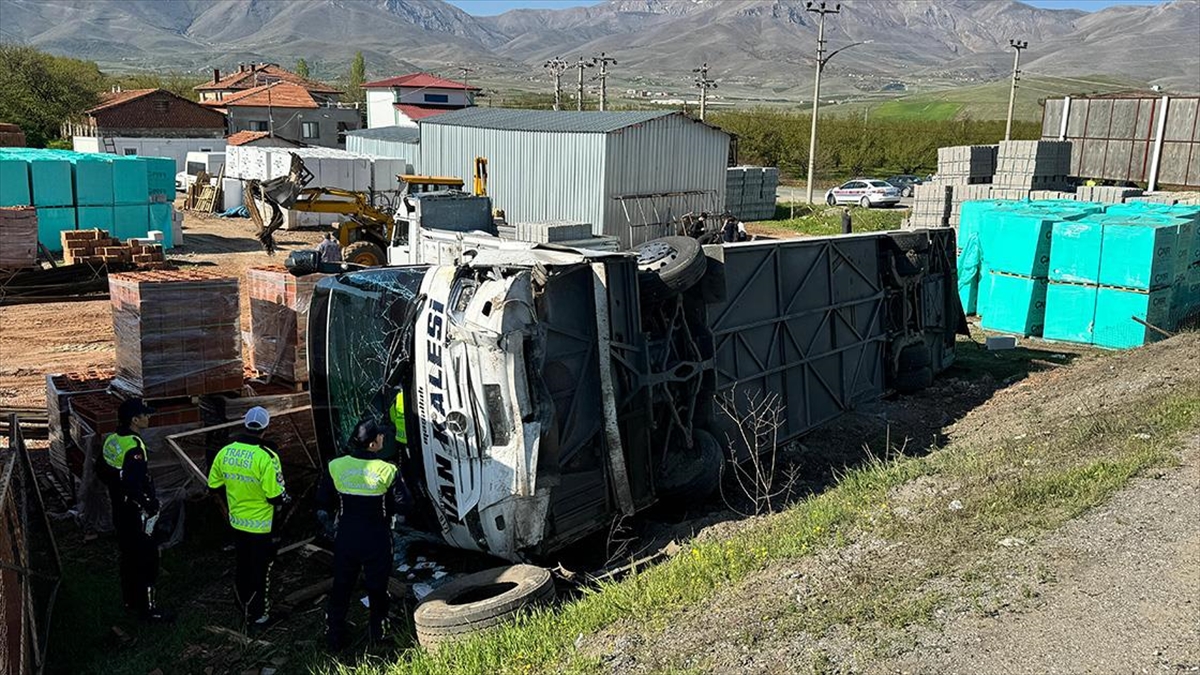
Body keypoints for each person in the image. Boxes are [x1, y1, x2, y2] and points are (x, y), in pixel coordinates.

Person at [317, 419, 406, 650]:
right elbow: (406, 504)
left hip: (346, 536)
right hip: (376, 537)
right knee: (377, 588)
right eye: (381, 437)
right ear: (373, 443)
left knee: (342, 586)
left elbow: (323, 500)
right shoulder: (387, 470)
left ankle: (334, 636)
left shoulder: (336, 466)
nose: (384, 439)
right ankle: (378, 636)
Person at [208, 406, 288, 628]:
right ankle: (260, 615)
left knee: (242, 565)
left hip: (237, 522)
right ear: (265, 427)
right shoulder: (267, 457)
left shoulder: (226, 452)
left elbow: (213, 484)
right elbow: (275, 497)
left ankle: (242, 605)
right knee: (261, 571)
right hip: (261, 526)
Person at [100, 398, 174, 622]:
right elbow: (134, 485)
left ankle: (130, 600)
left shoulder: (112, 440)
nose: (148, 418)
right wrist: (149, 505)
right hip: (135, 513)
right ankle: (148, 610)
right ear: (134, 419)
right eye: (145, 415)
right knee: (147, 559)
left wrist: (118, 485)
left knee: (128, 556)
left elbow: (101, 471)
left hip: (119, 509)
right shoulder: (134, 447)